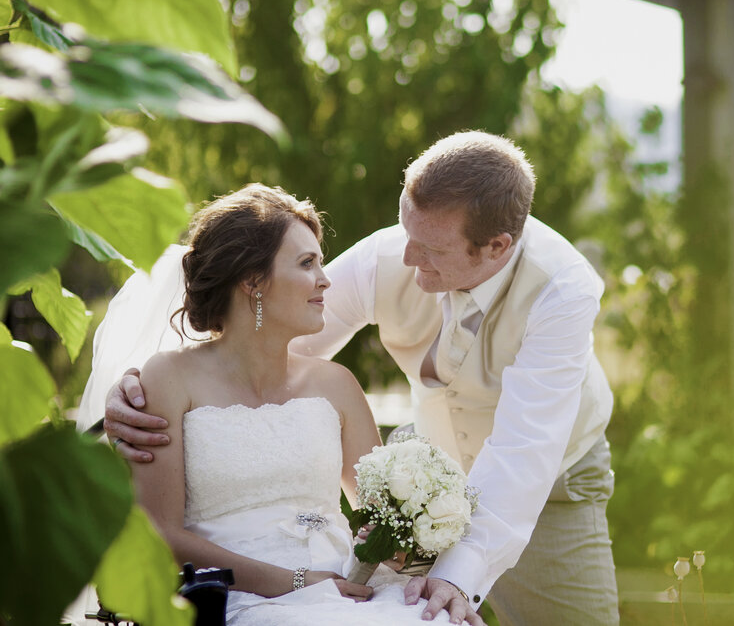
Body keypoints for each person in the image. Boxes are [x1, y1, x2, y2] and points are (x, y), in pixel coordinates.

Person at [104, 131, 620, 625]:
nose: (406, 256)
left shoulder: (562, 289)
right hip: (307, 569)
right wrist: (141, 390)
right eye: (406, 231)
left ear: (496, 247)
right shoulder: (392, 252)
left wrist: (455, 579)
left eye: (432, 250)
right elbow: (255, 348)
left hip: (551, 484)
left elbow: (524, 451)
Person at [116, 184, 482, 626]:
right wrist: (295, 581)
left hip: (345, 586)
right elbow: (161, 534)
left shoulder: (336, 385)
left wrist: (401, 536)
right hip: (236, 595)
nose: (326, 280)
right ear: (252, 282)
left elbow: (382, 517)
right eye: (307, 264)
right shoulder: (169, 379)